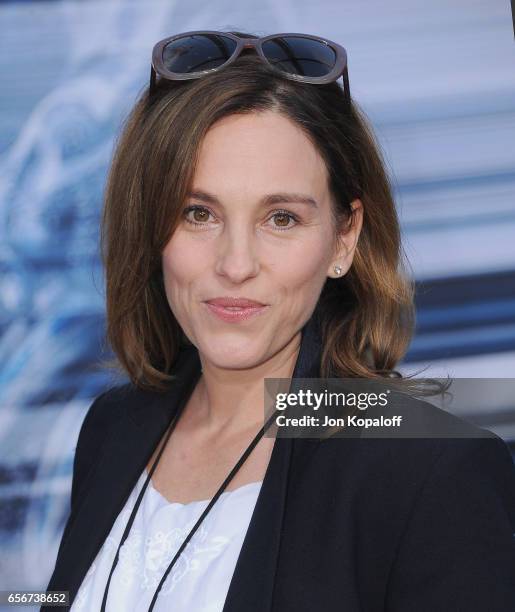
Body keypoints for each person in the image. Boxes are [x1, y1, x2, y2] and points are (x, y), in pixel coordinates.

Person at [43, 30, 515, 611]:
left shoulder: (433, 469)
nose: (235, 265)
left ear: (344, 238)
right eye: (198, 213)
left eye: (282, 218)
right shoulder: (113, 427)